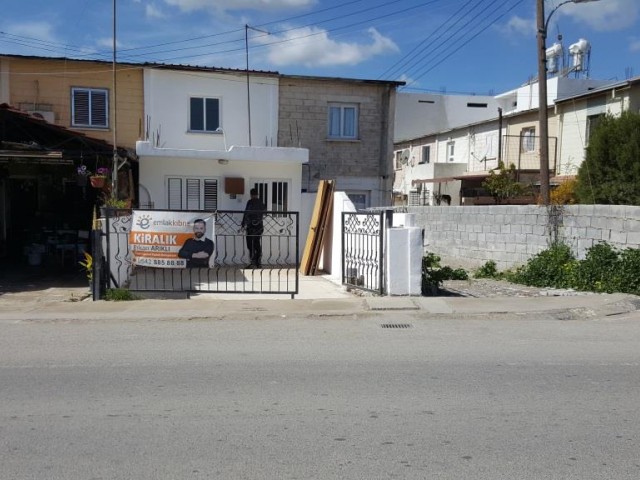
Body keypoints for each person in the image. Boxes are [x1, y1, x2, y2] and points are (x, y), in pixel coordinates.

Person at [241, 188, 266, 269]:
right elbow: (264, 212)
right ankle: (258, 263)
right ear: (257, 194)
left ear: (251, 195)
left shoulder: (250, 202)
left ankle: (254, 263)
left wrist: (243, 224)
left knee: (250, 245)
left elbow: (246, 213)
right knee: (256, 244)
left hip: (251, 227)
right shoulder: (261, 203)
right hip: (259, 227)